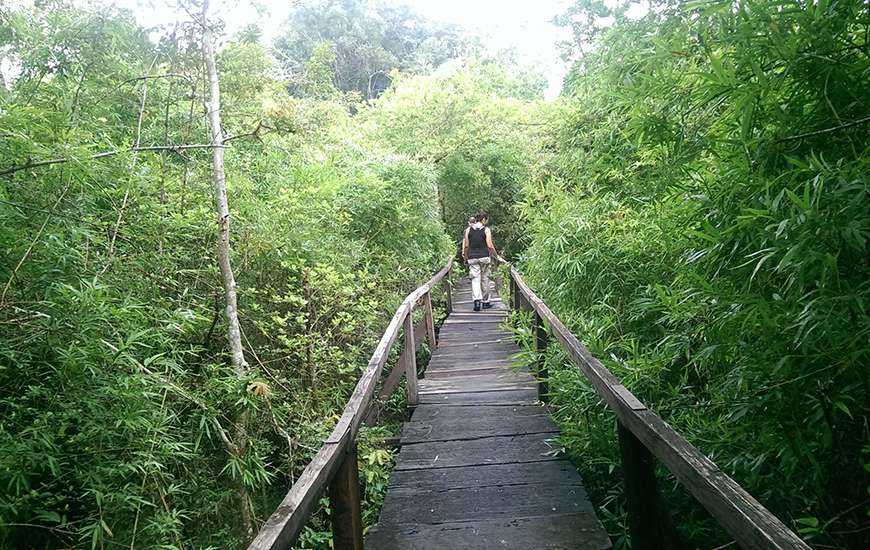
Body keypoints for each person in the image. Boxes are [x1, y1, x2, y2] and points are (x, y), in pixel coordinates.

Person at [462, 210, 499, 311]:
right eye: (486, 220)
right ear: (483, 219)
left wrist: (465, 257)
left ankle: (477, 301)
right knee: (485, 279)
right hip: (484, 257)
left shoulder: (468, 230)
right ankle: (486, 302)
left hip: (472, 258)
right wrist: (496, 256)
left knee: (475, 279)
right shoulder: (486, 230)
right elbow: (490, 245)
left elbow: (466, 246)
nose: (486, 222)